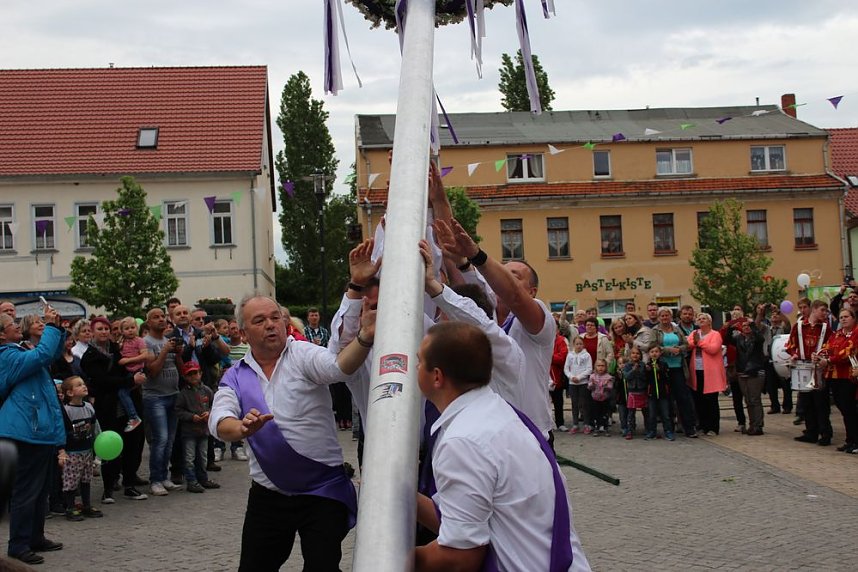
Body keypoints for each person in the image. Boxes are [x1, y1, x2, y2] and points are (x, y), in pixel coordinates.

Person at [209, 294, 377, 571]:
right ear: (242, 332)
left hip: (322, 491)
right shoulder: (235, 376)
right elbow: (219, 420)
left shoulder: (302, 353)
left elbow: (339, 367)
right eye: (260, 320)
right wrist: (240, 428)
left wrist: (365, 337)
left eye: (275, 318)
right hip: (269, 496)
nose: (271, 325)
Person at [414, 322, 590, 571]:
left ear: (437, 376)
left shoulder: (463, 441)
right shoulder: (496, 412)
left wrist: (388, 558)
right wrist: (397, 493)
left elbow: (459, 557)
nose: (415, 367)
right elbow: (462, 517)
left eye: (419, 361)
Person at [436, 219, 556, 441]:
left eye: (514, 276)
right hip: (489, 433)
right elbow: (464, 270)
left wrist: (476, 254)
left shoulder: (539, 319)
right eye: (502, 272)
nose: (503, 279)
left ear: (532, 291)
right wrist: (439, 200)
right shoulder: (487, 312)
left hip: (530, 434)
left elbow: (514, 296)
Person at [0, 308, 66, 566]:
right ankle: (17, 544)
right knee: (26, 491)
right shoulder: (6, 355)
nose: (17, 325)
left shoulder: (20, 351)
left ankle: (35, 536)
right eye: (10, 324)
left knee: (40, 492)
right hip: (23, 432)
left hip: (37, 431)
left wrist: (56, 329)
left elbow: (52, 354)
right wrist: (49, 326)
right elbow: (44, 354)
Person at [81, 316, 149, 503]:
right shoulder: (90, 356)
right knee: (110, 447)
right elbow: (102, 382)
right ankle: (108, 488)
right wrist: (129, 381)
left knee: (133, 445)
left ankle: (129, 484)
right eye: (100, 329)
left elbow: (129, 367)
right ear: (93, 332)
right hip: (108, 407)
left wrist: (135, 376)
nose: (103, 332)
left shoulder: (117, 349)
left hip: (129, 406)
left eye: (106, 329)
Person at [143, 308, 185, 495]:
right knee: (160, 439)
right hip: (155, 397)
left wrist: (177, 353)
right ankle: (155, 480)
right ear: (148, 323)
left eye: (162, 317)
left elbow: (181, 368)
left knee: (170, 440)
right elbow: (152, 371)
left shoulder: (168, 341)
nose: (161, 320)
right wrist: (164, 352)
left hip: (173, 394)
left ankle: (164, 476)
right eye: (156, 317)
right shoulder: (146, 343)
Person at [787, 300, 833, 446]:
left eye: (826, 311)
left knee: (821, 403)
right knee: (806, 402)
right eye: (822, 310)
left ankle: (825, 433)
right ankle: (811, 432)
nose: (825, 313)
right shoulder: (799, 326)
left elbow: (831, 347)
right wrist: (794, 354)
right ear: (814, 310)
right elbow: (790, 344)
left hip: (818, 368)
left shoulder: (826, 328)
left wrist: (823, 357)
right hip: (803, 366)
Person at [59, 376, 103, 520]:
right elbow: (62, 432)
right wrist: (62, 450)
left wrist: (99, 443)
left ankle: (86, 505)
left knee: (86, 479)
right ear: (70, 393)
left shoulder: (89, 407)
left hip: (87, 450)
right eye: (79, 385)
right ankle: (70, 507)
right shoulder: (67, 411)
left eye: (84, 383)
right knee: (71, 481)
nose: (84, 386)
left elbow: (95, 427)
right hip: (72, 452)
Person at [817, 307, 858, 453]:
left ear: (853, 318)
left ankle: (855, 441)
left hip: (848, 376)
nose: (843, 319)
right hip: (834, 376)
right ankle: (850, 440)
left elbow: (848, 352)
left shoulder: (856, 333)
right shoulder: (837, 334)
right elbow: (827, 347)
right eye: (841, 317)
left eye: (847, 316)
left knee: (849, 409)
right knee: (844, 409)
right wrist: (820, 356)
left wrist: (828, 360)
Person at [174, 362, 219, 493]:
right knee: (189, 458)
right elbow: (178, 410)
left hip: (204, 431)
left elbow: (215, 405)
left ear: (201, 373)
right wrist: (191, 417)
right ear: (185, 377)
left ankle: (203, 479)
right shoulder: (183, 394)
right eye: (190, 374)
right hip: (189, 432)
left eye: (195, 373)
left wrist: (209, 413)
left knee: (203, 457)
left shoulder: (207, 391)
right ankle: (192, 481)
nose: (193, 376)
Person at [653, 307, 696, 438]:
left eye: (667, 316)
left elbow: (686, 344)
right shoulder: (655, 331)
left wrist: (679, 349)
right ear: (659, 317)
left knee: (683, 398)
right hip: (664, 368)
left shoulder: (676, 329)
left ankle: (689, 428)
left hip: (678, 367)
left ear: (671, 317)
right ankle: (669, 428)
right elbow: (653, 346)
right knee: (667, 399)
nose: (665, 318)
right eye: (662, 316)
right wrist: (668, 350)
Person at [686, 313, 727, 436]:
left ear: (709, 322)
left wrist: (699, 343)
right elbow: (688, 345)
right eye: (699, 319)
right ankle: (702, 425)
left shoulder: (715, 334)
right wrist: (696, 342)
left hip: (710, 372)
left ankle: (713, 427)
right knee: (698, 400)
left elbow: (713, 349)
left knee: (711, 400)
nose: (701, 320)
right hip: (696, 370)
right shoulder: (694, 333)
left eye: (704, 318)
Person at [732, 306, 768, 436]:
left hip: (755, 372)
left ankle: (758, 425)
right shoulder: (738, 339)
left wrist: (753, 322)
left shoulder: (757, 338)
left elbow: (759, 337)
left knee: (755, 399)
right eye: (744, 325)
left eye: (748, 325)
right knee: (747, 400)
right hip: (742, 372)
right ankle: (752, 424)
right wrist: (731, 324)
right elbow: (726, 338)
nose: (746, 327)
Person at [117, 316, 147, 433]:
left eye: (133, 327)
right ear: (122, 330)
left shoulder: (139, 340)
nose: (130, 330)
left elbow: (145, 355)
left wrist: (128, 360)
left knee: (123, 392)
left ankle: (133, 416)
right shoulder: (121, 341)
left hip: (136, 371)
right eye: (127, 328)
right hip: (126, 372)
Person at [644, 346, 674, 440]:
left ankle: (668, 431)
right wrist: (647, 371)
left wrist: (659, 370)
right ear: (649, 353)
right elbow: (645, 379)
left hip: (663, 393)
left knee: (665, 414)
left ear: (660, 353)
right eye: (652, 351)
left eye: (656, 351)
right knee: (652, 414)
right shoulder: (647, 365)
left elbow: (667, 377)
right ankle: (652, 432)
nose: (654, 353)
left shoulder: (664, 364)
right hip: (651, 393)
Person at [564, 337, 593, 434]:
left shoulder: (586, 355)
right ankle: (575, 424)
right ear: (573, 345)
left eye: (580, 344)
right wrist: (571, 377)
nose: (579, 346)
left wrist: (579, 377)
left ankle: (586, 424)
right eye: (577, 344)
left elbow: (589, 369)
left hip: (583, 383)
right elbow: (566, 369)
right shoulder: (570, 355)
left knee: (584, 404)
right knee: (574, 404)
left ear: (583, 345)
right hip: (572, 383)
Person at [622, 346, 648, 439]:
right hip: (632, 392)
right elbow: (626, 377)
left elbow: (645, 377)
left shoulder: (643, 365)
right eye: (633, 353)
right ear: (630, 355)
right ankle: (630, 429)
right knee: (631, 413)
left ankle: (648, 429)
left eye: (637, 353)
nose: (635, 355)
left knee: (646, 412)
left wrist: (639, 371)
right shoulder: (627, 366)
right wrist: (633, 370)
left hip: (642, 390)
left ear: (640, 355)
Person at [550, 323, 570, 431]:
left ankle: (560, 422)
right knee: (544, 402)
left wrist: (549, 356)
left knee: (558, 401)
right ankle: (547, 423)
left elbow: (563, 357)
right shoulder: (541, 339)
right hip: (543, 376)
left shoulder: (561, 340)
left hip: (557, 376)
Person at [587, 358, 613, 435]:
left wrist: (606, 385)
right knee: (596, 413)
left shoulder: (608, 377)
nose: (600, 367)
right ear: (595, 367)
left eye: (602, 366)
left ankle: (605, 427)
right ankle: (596, 427)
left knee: (605, 413)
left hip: (605, 398)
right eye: (598, 366)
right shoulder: (592, 376)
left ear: (606, 367)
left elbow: (610, 388)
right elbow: (589, 387)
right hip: (595, 398)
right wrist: (592, 384)